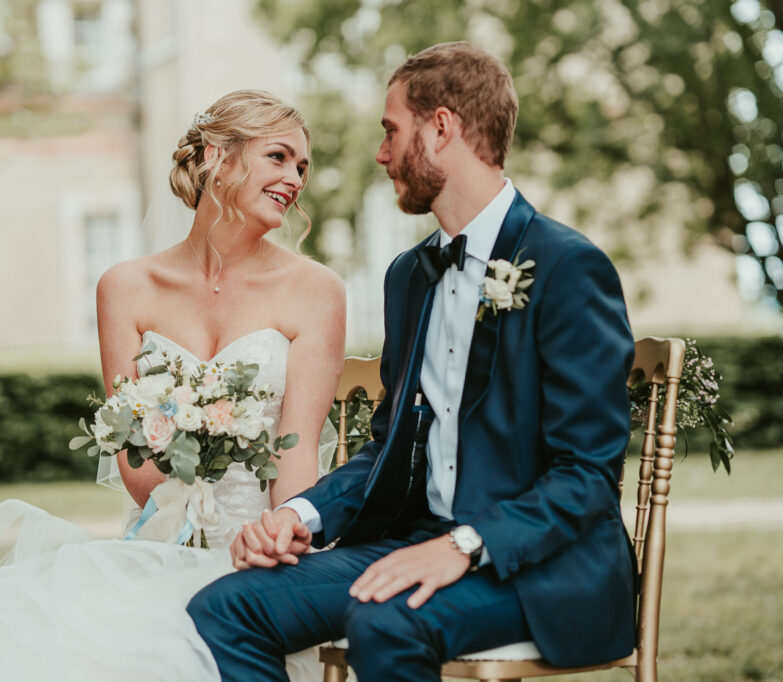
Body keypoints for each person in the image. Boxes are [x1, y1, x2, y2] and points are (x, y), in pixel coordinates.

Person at [0, 90, 346, 682]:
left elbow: (299, 452)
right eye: (279, 157)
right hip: (161, 540)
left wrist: (276, 546)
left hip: (264, 549)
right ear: (217, 155)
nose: (295, 179)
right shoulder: (126, 288)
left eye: (302, 167)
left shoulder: (317, 291)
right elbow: (137, 472)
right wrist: (190, 480)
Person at [188, 42, 638, 682]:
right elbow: (388, 448)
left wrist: (462, 547)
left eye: (391, 131)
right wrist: (299, 515)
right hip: (414, 542)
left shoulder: (567, 267)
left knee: (387, 618)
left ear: (442, 127)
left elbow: (587, 475)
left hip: (542, 568)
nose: (381, 153)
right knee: (228, 608)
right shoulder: (409, 277)